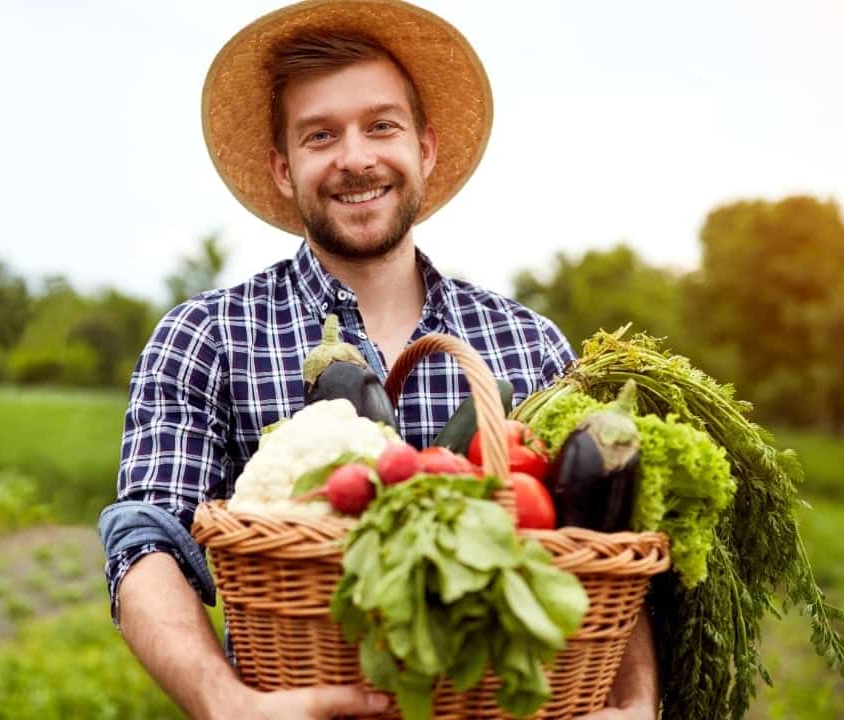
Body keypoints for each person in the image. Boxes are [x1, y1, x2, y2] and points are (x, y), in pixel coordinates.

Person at [99, 1, 657, 718]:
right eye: (320, 135)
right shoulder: (204, 335)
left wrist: (637, 702)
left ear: (424, 148)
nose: (355, 157)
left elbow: (611, 548)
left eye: (381, 126)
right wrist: (223, 703)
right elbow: (146, 543)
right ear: (282, 167)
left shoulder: (530, 343)